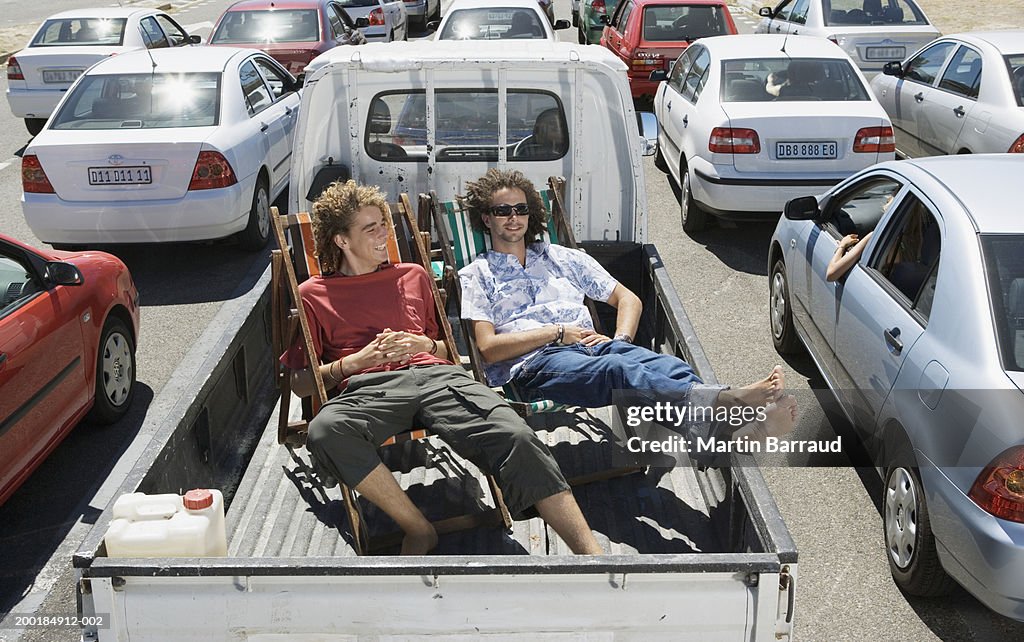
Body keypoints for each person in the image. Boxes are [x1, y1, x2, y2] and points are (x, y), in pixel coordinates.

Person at [281, 179, 602, 556]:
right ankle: (418, 528)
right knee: (325, 431)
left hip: (437, 377)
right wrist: (355, 362)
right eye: (371, 229)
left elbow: (446, 351)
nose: (384, 234)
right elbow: (301, 384)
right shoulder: (313, 294)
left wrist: (423, 344)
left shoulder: (413, 276)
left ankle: (590, 556)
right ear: (341, 241)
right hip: (369, 388)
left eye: (384, 224)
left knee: (515, 435)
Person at [458, 168, 796, 443]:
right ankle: (731, 400)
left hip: (594, 350)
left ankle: (725, 435)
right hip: (535, 366)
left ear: (531, 214)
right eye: (503, 211)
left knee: (670, 368)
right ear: (486, 219)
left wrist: (620, 341)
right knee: (619, 373)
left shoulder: (561, 258)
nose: (513, 218)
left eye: (520, 209)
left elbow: (627, 298)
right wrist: (557, 333)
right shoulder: (476, 275)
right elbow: (488, 349)